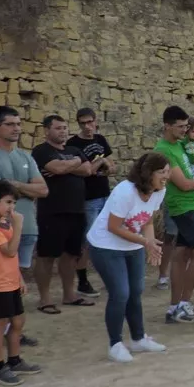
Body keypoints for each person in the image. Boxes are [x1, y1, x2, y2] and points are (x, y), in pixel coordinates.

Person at [0, 106, 48, 359]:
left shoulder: (25, 156)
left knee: (16, 282)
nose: (16, 128)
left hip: (26, 228)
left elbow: (44, 189)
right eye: (9, 124)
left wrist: (13, 185)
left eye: (18, 123)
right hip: (0, 231)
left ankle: (12, 330)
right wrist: (27, 188)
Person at [86, 153, 170, 363]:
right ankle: (115, 344)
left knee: (136, 291)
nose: (166, 176)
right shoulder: (125, 191)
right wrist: (145, 242)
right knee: (120, 293)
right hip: (105, 246)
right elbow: (113, 227)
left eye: (167, 171)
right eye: (162, 172)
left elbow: (147, 221)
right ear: (148, 173)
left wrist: (151, 244)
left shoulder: (159, 191)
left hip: (133, 245)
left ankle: (138, 339)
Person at [155, 106, 194, 324]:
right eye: (180, 126)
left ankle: (174, 307)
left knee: (181, 254)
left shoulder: (179, 145)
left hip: (191, 205)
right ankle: (184, 303)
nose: (184, 130)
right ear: (167, 126)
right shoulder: (164, 151)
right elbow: (183, 184)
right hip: (182, 206)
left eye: (186, 126)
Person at [0, 180, 40, 386]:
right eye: (8, 202)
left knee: (18, 321)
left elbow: (11, 259)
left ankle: (14, 360)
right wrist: (19, 226)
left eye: (13, 203)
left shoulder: (3, 223)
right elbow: (10, 251)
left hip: (11, 282)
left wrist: (19, 278)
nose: (11, 207)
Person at [31, 114, 95, 313]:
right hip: (52, 211)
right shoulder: (41, 151)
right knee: (46, 256)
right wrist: (74, 164)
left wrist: (68, 165)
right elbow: (56, 168)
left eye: (65, 128)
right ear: (46, 130)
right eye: (58, 128)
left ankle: (69, 295)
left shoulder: (73, 150)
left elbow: (87, 170)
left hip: (76, 210)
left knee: (71, 255)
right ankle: (45, 299)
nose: (63, 131)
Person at [67, 108, 115, 298]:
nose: (87, 127)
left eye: (90, 122)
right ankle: (82, 281)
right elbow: (84, 171)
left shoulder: (100, 139)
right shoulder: (73, 144)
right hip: (87, 197)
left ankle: (109, 278)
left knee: (107, 237)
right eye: (83, 123)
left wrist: (106, 165)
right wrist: (100, 162)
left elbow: (112, 165)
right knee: (87, 240)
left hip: (105, 195)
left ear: (96, 121)